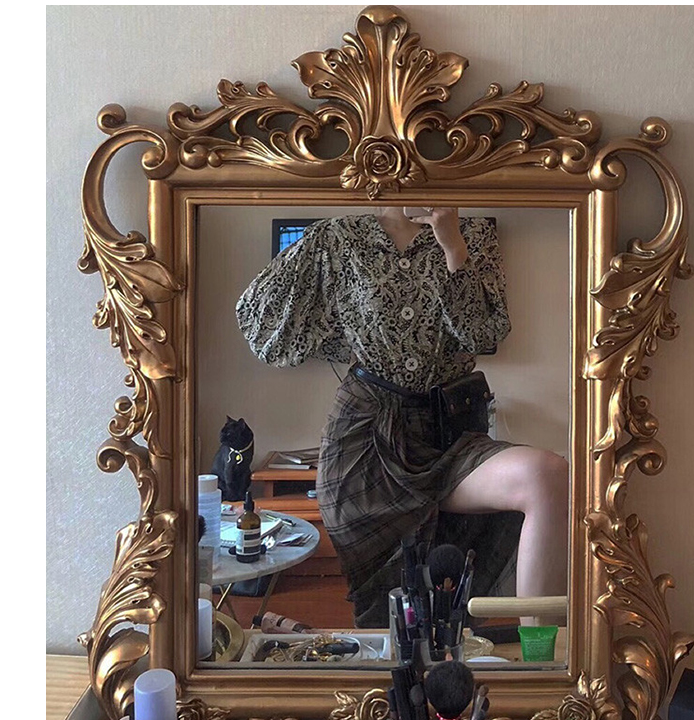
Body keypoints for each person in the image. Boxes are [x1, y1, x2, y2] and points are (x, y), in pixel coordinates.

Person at [236, 207, 568, 627]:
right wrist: (338, 338)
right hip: (366, 438)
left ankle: (543, 661)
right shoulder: (337, 237)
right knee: (393, 611)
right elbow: (261, 327)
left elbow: (483, 335)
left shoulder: (474, 234)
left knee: (548, 476)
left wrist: (453, 247)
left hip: (451, 431)